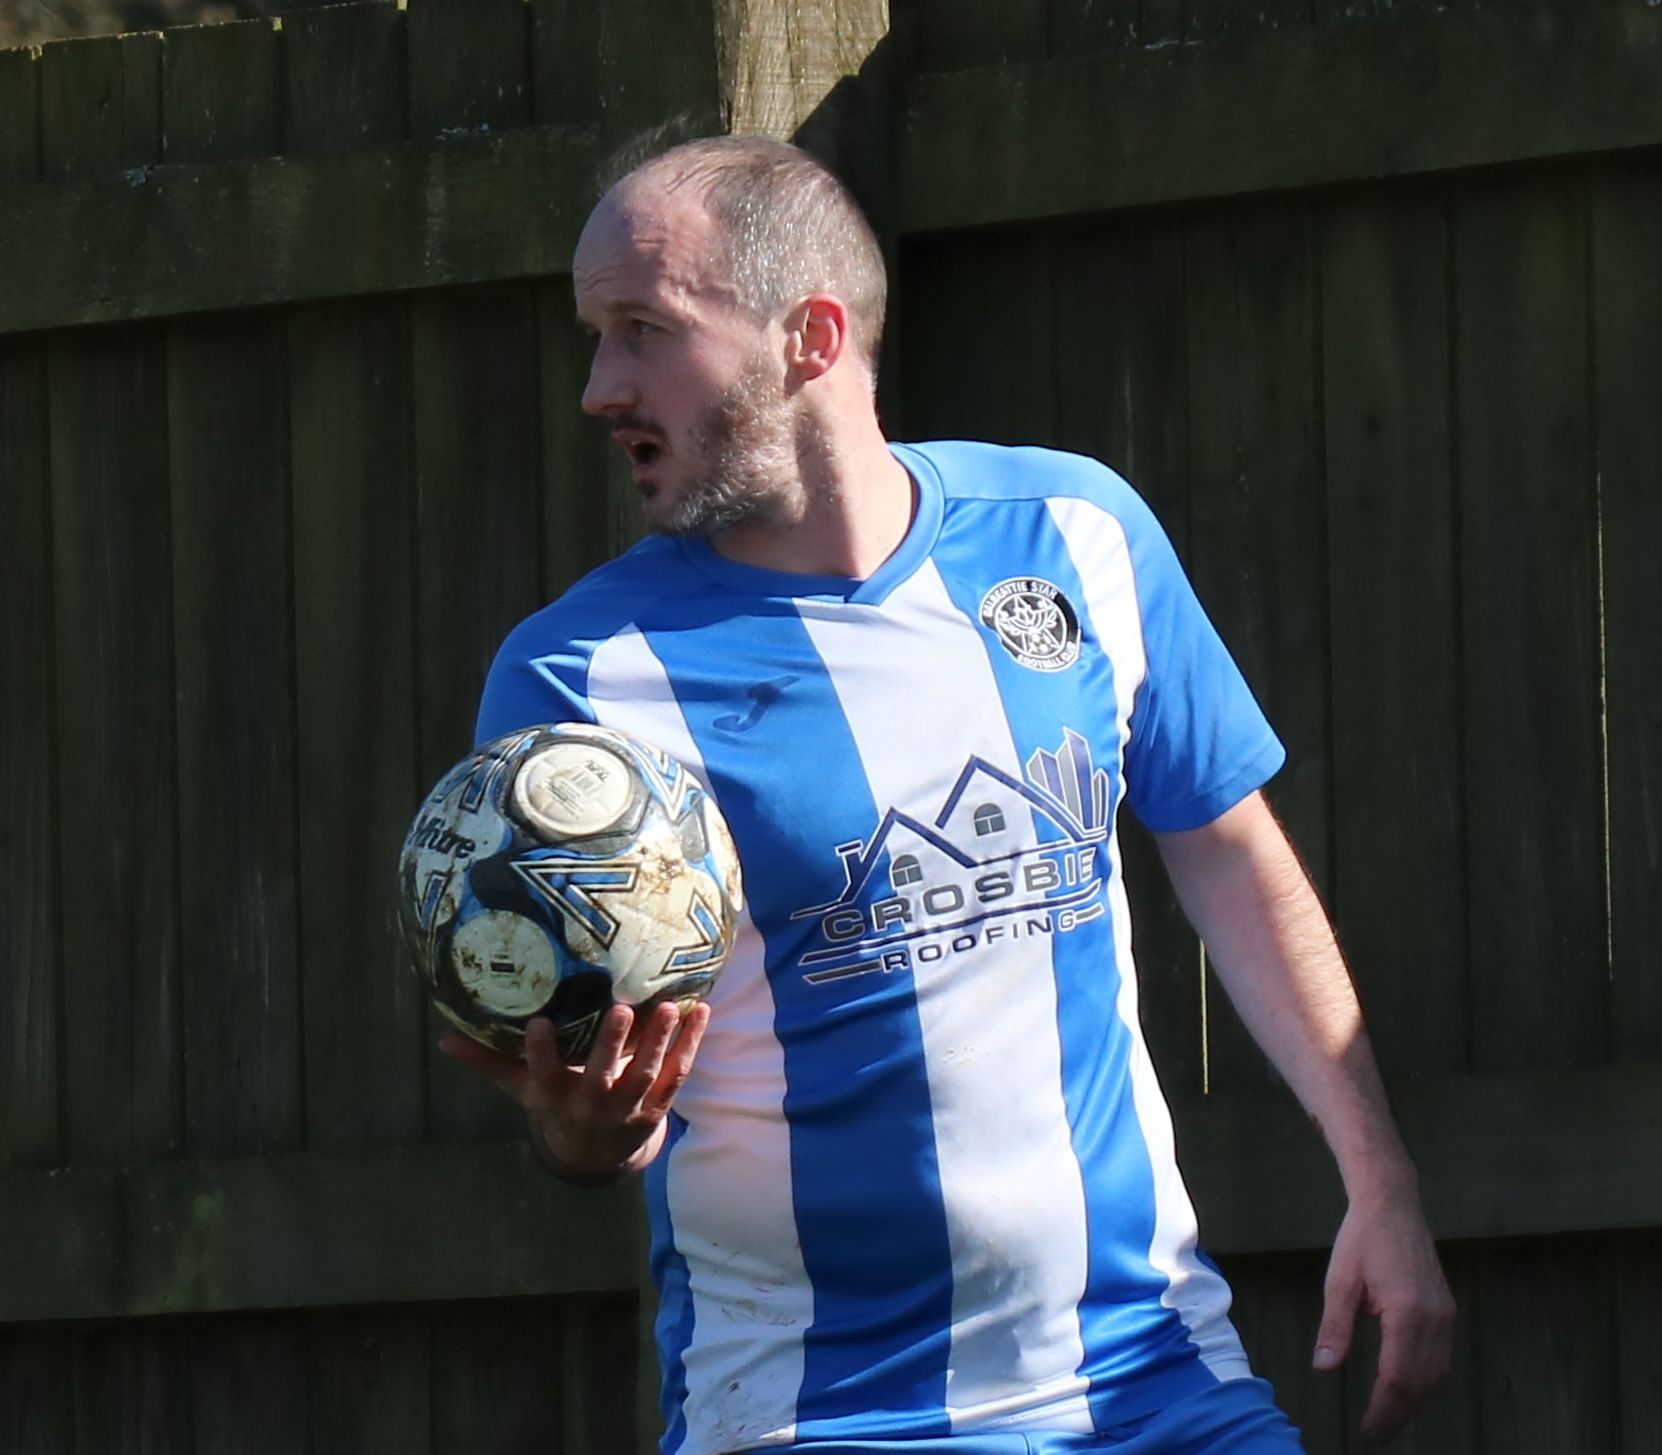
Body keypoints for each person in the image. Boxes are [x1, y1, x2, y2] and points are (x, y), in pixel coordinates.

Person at [442, 135, 1455, 1455]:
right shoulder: (580, 681)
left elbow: (1224, 849)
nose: (598, 389)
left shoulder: (1074, 535)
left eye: (643, 330)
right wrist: (588, 1138)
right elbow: (603, 1079)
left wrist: (1379, 1178)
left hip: (1153, 1381)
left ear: (808, 339)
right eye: (595, 339)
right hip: (818, 1417)